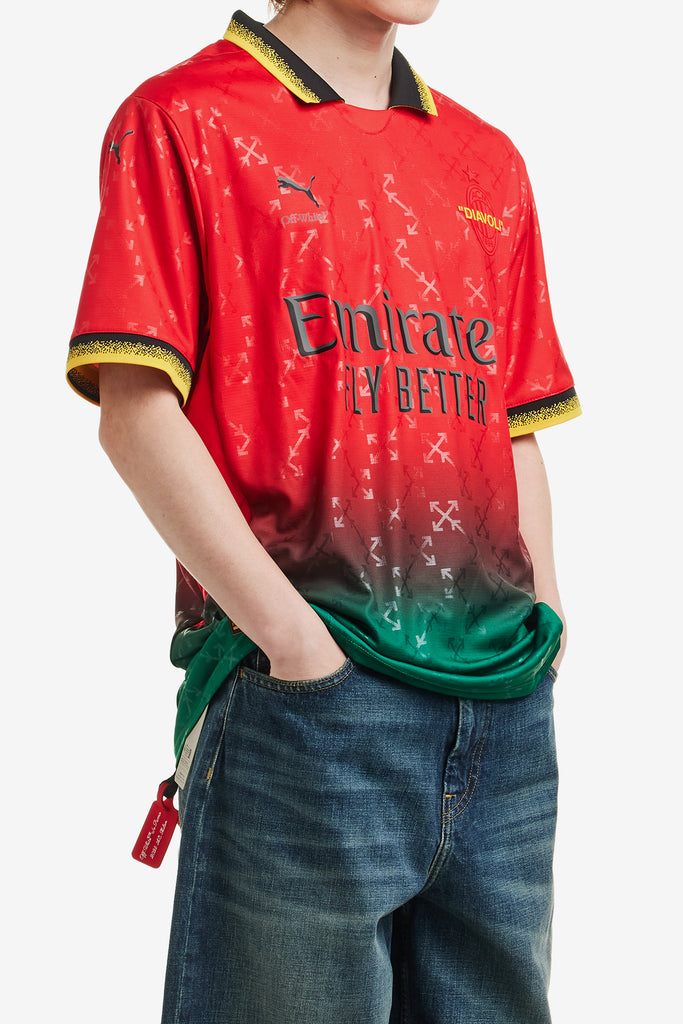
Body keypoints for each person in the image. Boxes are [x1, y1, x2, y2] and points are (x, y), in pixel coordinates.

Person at [67, 2, 581, 1021]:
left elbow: (511, 418)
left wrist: (548, 622)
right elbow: (135, 411)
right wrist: (294, 643)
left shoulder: (487, 162)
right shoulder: (185, 120)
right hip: (309, 707)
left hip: (505, 715)